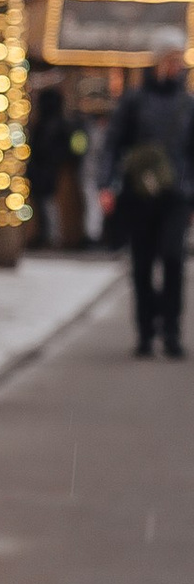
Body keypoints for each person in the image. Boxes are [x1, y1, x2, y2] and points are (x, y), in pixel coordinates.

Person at [104, 45, 194, 358]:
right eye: (170, 60)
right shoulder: (135, 100)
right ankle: (145, 330)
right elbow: (113, 142)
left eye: (178, 60)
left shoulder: (187, 104)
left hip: (176, 194)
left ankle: (171, 330)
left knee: (173, 259)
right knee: (142, 263)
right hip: (138, 193)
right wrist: (106, 184)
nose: (175, 66)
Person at [25, 78, 74, 252]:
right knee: (43, 203)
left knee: (47, 203)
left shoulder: (52, 124)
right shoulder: (51, 123)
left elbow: (55, 148)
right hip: (44, 168)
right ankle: (46, 235)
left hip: (47, 168)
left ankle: (51, 236)